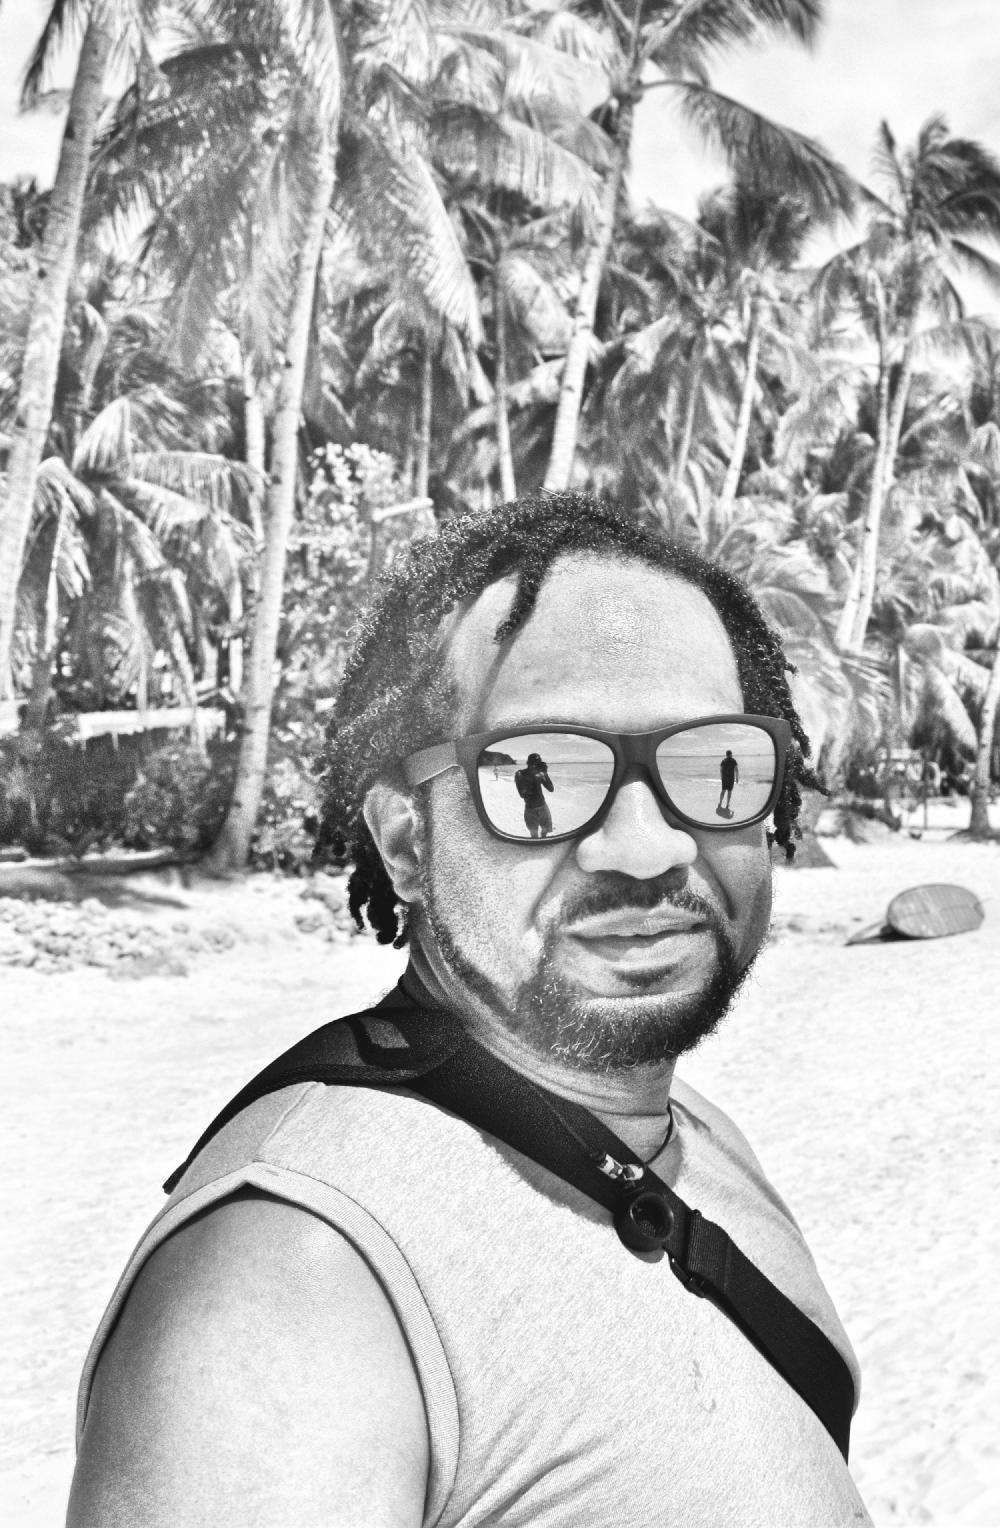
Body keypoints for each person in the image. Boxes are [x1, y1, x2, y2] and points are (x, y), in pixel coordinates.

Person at [68, 496, 868, 1525]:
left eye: (713, 768)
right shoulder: (287, 1289)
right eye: (536, 779)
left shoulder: (693, 1133)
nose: (645, 844)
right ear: (407, 842)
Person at [515, 751, 555, 837]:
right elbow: (523, 794)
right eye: (532, 764)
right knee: (534, 836)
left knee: (545, 832)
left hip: (543, 807)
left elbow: (551, 789)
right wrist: (533, 776)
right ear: (528, 763)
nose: (533, 766)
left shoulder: (539, 774)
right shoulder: (520, 774)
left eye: (536, 764)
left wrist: (545, 773)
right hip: (530, 810)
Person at [718, 747, 740, 817]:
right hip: (731, 779)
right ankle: (727, 804)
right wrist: (737, 778)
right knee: (729, 792)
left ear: (726, 754)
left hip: (724, 779)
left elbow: (721, 770)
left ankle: (720, 803)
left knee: (723, 791)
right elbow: (736, 770)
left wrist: (721, 777)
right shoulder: (733, 760)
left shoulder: (723, 760)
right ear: (730, 754)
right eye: (731, 754)